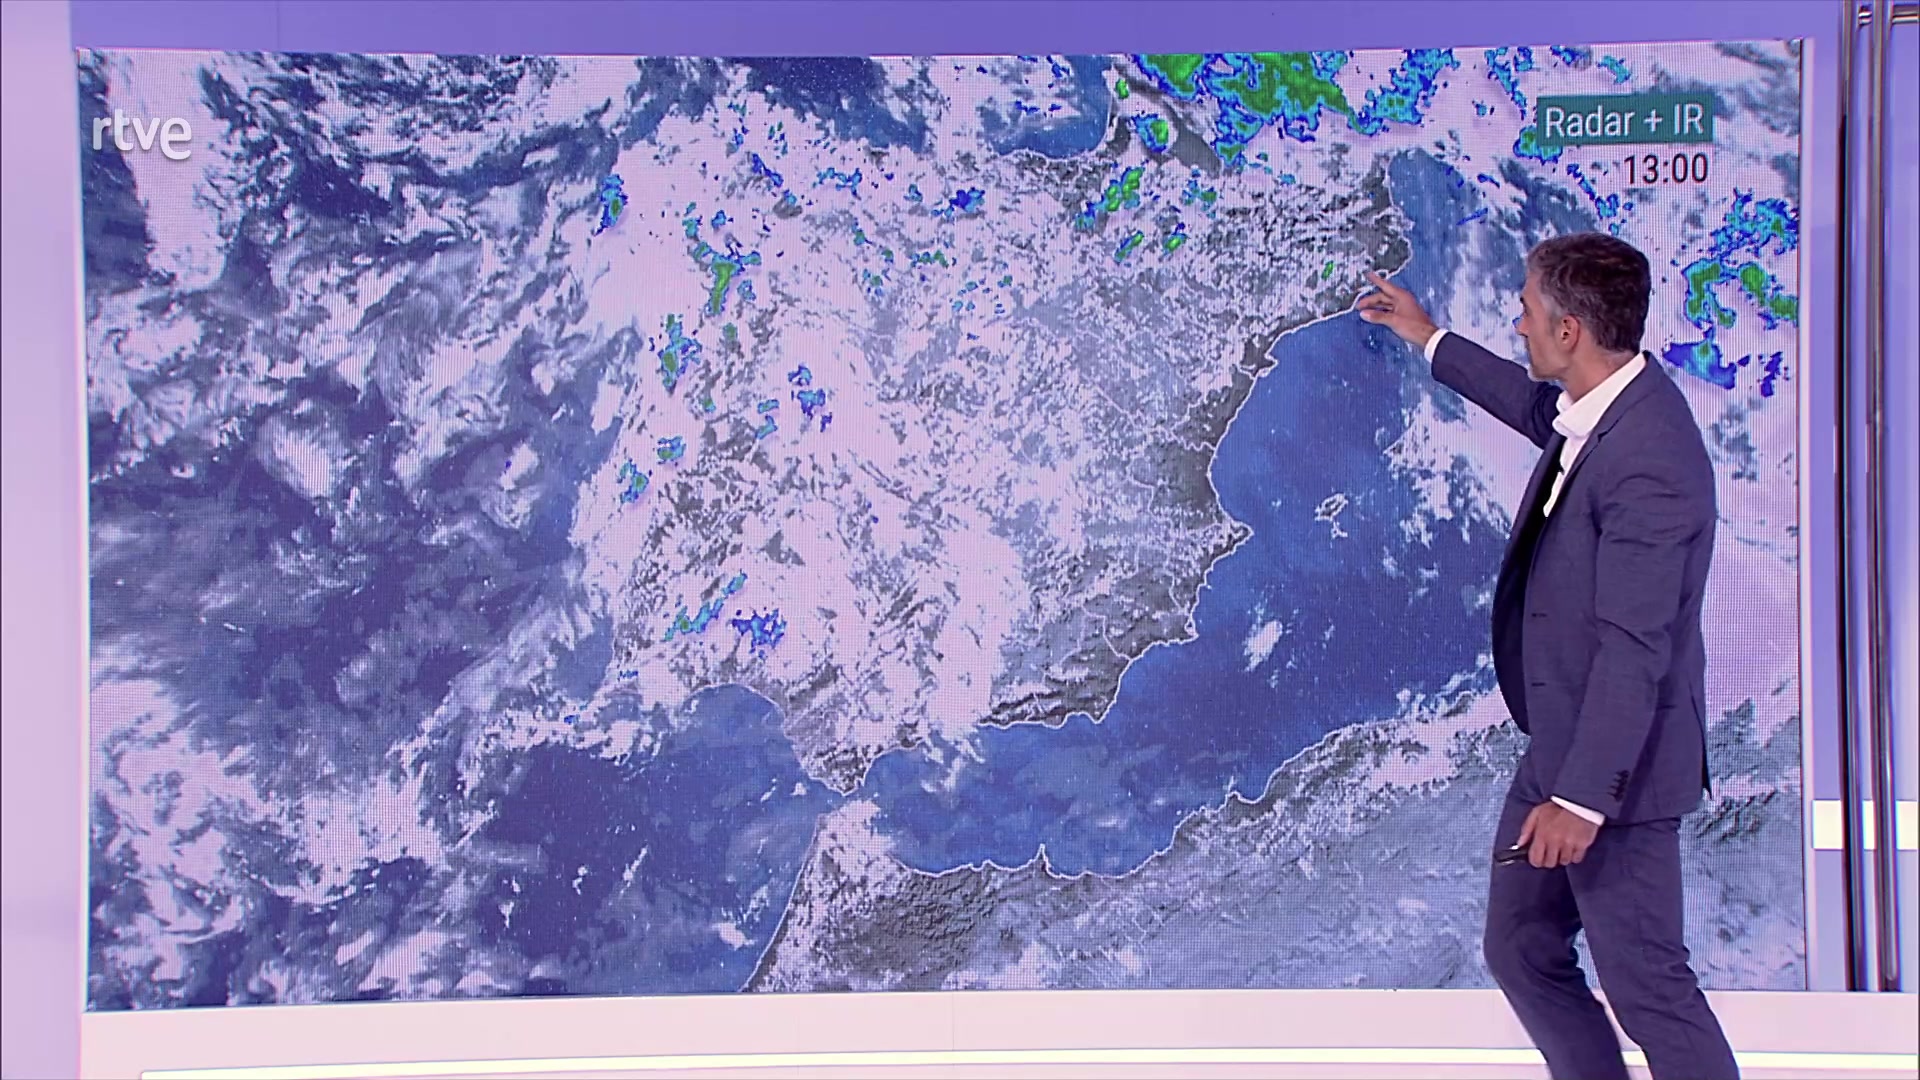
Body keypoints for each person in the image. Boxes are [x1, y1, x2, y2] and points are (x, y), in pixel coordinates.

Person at [1354, 233, 1739, 1080]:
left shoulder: (1651, 464)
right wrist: (1428, 337)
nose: (1518, 321)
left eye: (1526, 308)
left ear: (1570, 330)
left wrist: (1580, 800)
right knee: (1524, 946)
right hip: (1562, 745)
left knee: (1648, 989)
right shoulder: (1603, 405)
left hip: (1617, 773)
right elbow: (1536, 412)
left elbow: (1635, 648)